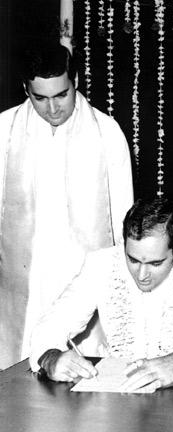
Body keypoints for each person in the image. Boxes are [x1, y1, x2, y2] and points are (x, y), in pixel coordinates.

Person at [0, 42, 133, 369]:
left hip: (81, 282)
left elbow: (123, 221)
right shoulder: (5, 129)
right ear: (25, 90)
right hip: (23, 282)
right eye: (40, 98)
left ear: (76, 81)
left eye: (62, 95)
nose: (53, 108)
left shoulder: (107, 133)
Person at [29, 198, 173, 392]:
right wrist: (51, 358)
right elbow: (50, 326)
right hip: (118, 395)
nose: (142, 275)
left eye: (155, 263)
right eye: (133, 260)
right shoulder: (101, 264)